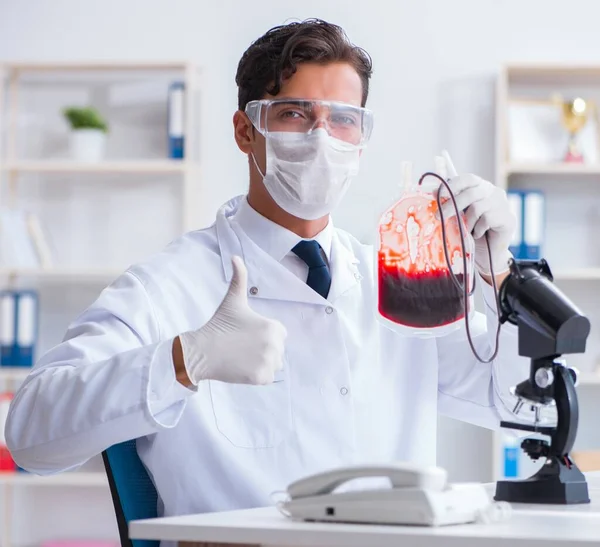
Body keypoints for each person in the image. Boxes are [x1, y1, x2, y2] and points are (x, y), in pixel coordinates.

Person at [7, 19, 528, 522]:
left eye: (344, 119)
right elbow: (30, 435)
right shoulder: (166, 287)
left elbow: (527, 407)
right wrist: (184, 360)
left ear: (362, 138)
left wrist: (500, 277)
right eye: (296, 115)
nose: (323, 138)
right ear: (245, 130)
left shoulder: (395, 282)